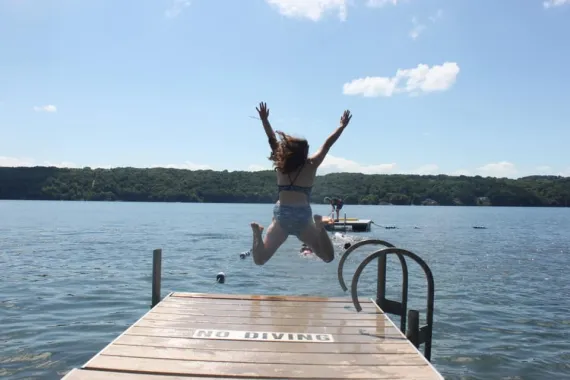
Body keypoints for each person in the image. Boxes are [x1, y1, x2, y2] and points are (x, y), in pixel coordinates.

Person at [250, 101, 352, 266]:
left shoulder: (281, 162)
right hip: (302, 217)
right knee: (328, 256)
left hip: (281, 216)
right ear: (304, 152)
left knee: (260, 260)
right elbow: (327, 144)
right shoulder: (311, 164)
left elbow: (271, 138)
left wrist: (264, 120)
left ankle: (257, 232)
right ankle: (320, 226)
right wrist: (341, 126)